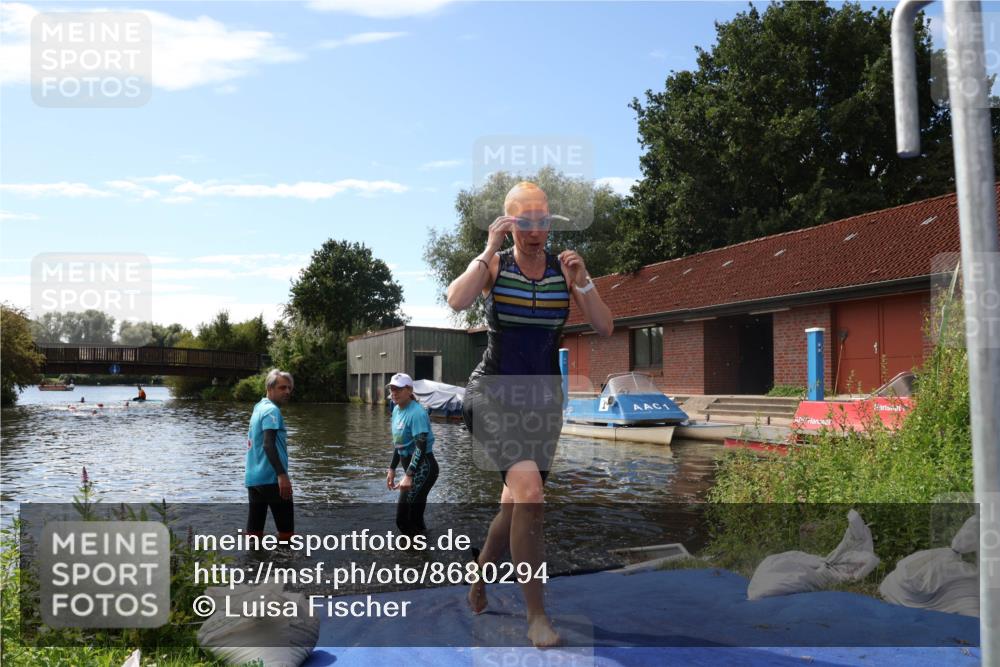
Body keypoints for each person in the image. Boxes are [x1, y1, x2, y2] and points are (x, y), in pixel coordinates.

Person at [446, 181, 613, 647]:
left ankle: (479, 577)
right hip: (492, 394)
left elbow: (605, 326)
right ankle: (536, 615)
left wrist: (585, 280)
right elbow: (457, 300)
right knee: (531, 493)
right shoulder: (495, 265)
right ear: (509, 223)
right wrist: (488, 249)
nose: (535, 231)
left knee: (516, 503)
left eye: (542, 221)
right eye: (525, 222)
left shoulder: (565, 270)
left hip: (541, 402)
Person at [385, 372, 439, 536]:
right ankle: (423, 546)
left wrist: (409, 475)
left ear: (409, 390)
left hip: (424, 469)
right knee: (414, 517)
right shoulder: (396, 410)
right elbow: (399, 443)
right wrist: (392, 468)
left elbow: (420, 446)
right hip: (412, 468)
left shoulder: (417, 413)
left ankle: (416, 548)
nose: (394, 393)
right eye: (392, 389)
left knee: (402, 519)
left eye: (398, 389)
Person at [245, 369, 295, 542]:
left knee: (254, 533)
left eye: (289, 388)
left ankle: (254, 558)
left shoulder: (259, 407)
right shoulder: (272, 411)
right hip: (272, 479)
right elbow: (268, 444)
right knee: (286, 535)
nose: (287, 391)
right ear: (270, 388)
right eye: (282, 388)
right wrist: (282, 475)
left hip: (254, 479)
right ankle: (284, 560)